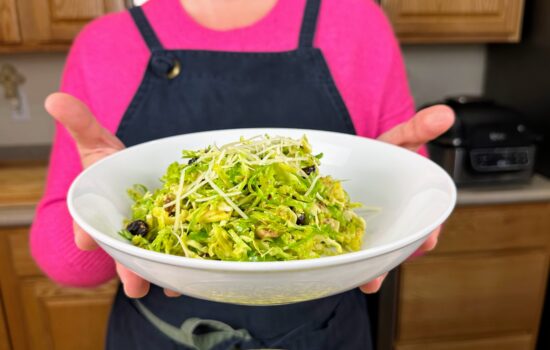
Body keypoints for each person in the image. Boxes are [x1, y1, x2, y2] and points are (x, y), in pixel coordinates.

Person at [31, 0, 454, 349]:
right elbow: (66, 266)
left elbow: (405, 236)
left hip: (326, 335)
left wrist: (400, 194)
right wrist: (98, 205)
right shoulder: (106, 43)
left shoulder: (357, 24)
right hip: (158, 336)